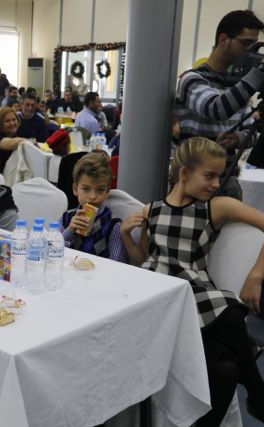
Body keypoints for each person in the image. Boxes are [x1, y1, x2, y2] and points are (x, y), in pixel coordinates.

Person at [120, 137, 264, 426]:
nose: (215, 184)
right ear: (184, 173)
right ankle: (257, 391)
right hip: (158, 294)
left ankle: (256, 392)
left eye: (219, 176)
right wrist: (126, 235)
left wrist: (256, 275)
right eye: (209, 176)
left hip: (195, 294)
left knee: (226, 364)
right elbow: (142, 262)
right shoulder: (151, 210)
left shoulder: (215, 207)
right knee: (228, 336)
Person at [175, 10, 264, 200]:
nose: (250, 51)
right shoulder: (192, 79)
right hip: (192, 187)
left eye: (254, 45)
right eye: (246, 43)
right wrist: (259, 73)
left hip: (228, 183)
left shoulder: (238, 86)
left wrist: (237, 138)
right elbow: (216, 109)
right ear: (223, 40)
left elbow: (252, 133)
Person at [58, 152, 125, 261]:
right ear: (75, 189)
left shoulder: (114, 225)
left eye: (100, 190)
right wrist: (69, 231)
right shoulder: (66, 218)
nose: (92, 196)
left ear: (107, 191)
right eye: (86, 189)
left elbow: (117, 262)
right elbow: (51, 249)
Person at [0, 106, 29, 171]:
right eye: (7, 121)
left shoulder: (17, 136)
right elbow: (12, 144)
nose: (12, 123)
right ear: (0, 124)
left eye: (14, 119)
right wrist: (30, 143)